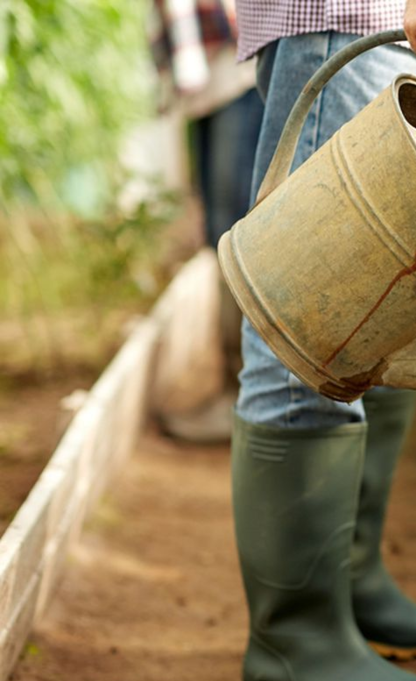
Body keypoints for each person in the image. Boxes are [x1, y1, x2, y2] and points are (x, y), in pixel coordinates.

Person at [229, 1, 416, 681]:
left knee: (393, 311)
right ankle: (296, 642)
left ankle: (349, 587)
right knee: (314, 321)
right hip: (358, 13)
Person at [150, 0, 265, 443]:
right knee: (223, 232)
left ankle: (246, 397)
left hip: (239, 74)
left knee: (239, 233)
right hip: (213, 83)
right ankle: (240, 393)